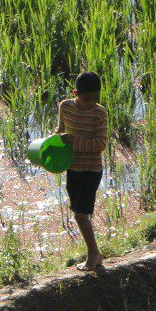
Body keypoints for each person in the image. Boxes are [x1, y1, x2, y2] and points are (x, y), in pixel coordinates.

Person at [57, 71, 108, 272]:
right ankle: (94, 253)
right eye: (87, 99)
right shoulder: (66, 107)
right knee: (79, 213)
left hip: (91, 170)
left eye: (96, 98)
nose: (92, 103)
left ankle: (94, 254)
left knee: (80, 215)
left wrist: (73, 141)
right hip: (72, 168)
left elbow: (100, 144)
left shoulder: (99, 113)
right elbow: (60, 131)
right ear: (75, 92)